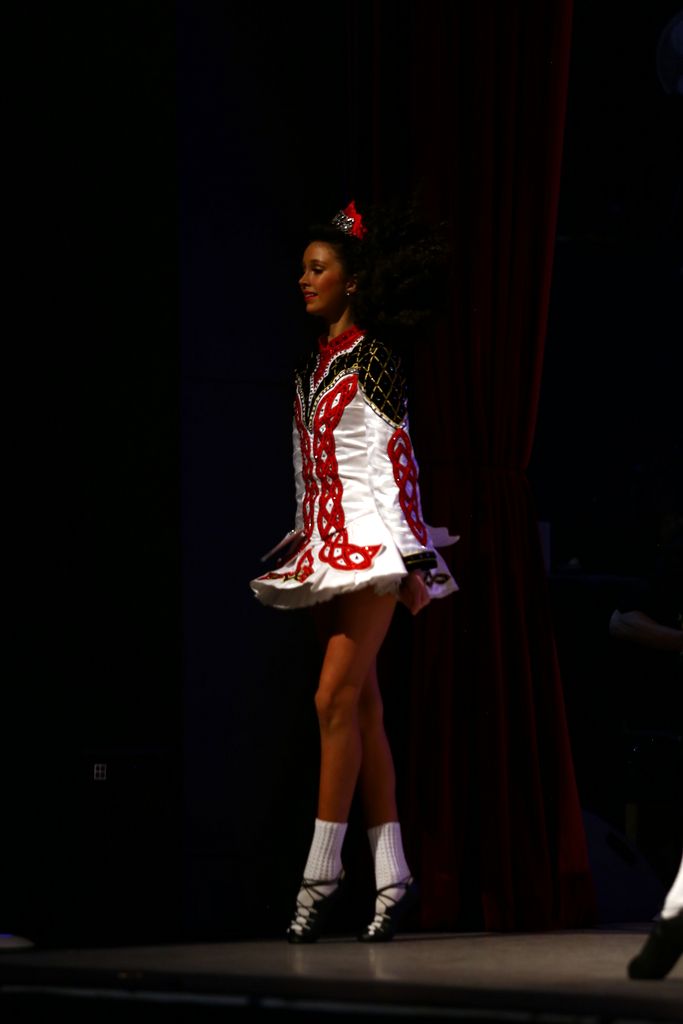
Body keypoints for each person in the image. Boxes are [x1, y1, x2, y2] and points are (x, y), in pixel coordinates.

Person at [250, 199, 458, 942]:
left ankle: (321, 875)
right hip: (325, 547)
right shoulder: (310, 364)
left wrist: (411, 555)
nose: (303, 280)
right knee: (362, 709)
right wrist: (303, 537)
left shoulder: (375, 358)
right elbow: (306, 466)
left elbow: (394, 461)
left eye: (318, 269)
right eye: (302, 269)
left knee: (332, 698)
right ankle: (393, 873)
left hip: (371, 544)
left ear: (353, 281)